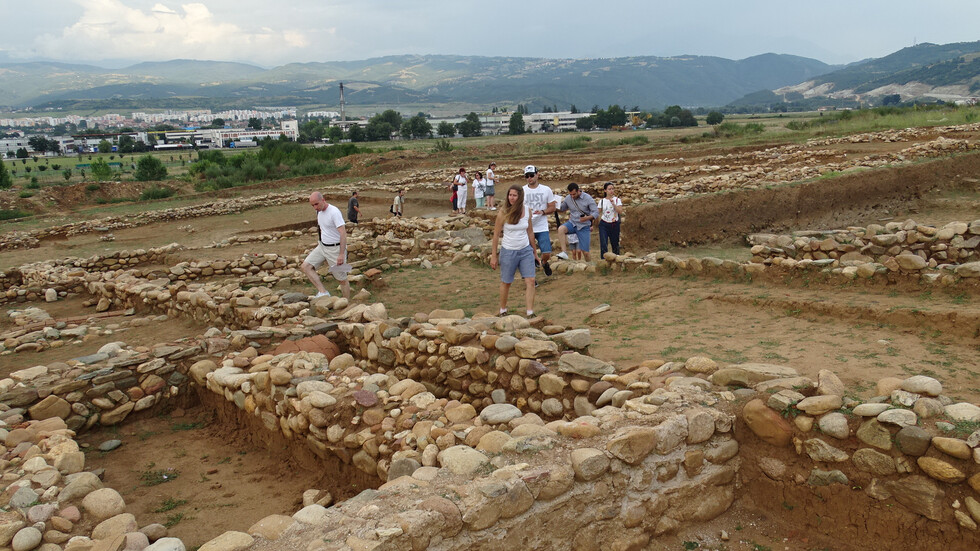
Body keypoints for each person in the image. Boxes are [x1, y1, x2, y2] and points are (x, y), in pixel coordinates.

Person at [490, 185, 540, 317]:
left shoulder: (527, 210)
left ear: (520, 197)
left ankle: (530, 312)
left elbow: (530, 232)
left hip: (525, 250)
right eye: (510, 195)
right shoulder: (503, 212)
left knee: (530, 280)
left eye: (514, 195)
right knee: (506, 282)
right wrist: (493, 256)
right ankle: (503, 309)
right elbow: (496, 234)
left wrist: (534, 252)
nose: (511, 198)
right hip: (508, 250)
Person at [301, 191, 351, 300]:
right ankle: (323, 292)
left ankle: (346, 302)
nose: (315, 207)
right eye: (312, 205)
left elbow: (343, 233)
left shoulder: (334, 212)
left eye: (316, 204)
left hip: (335, 249)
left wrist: (341, 254)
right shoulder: (319, 212)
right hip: (322, 247)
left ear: (323, 200)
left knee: (341, 279)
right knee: (306, 266)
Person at [522, 165, 557, 276]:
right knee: (528, 254)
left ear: (537, 175)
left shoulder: (546, 189)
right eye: (527, 176)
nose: (529, 178)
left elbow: (552, 207)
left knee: (546, 252)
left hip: (541, 226)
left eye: (531, 175)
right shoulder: (522, 190)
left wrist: (543, 212)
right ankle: (530, 277)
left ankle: (544, 262)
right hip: (527, 227)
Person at [556, 182, 599, 262]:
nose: (572, 196)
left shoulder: (588, 198)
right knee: (561, 229)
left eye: (574, 194)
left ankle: (589, 265)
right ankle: (564, 252)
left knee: (585, 252)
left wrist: (586, 218)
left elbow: (596, 213)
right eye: (571, 194)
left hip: (584, 226)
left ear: (579, 190)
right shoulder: (568, 198)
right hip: (572, 223)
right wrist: (555, 205)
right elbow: (562, 208)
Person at [598, 182, 624, 257]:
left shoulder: (617, 200)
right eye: (609, 189)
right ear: (605, 190)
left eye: (612, 189)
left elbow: (620, 211)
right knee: (603, 243)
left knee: (615, 243)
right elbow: (598, 212)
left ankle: (616, 260)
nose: (611, 191)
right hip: (604, 224)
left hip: (614, 224)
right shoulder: (602, 201)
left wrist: (613, 204)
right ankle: (603, 261)